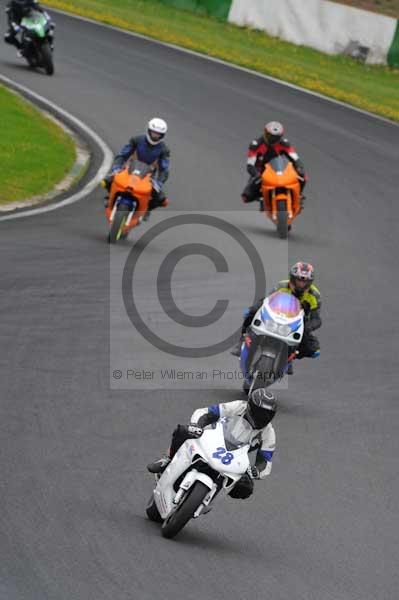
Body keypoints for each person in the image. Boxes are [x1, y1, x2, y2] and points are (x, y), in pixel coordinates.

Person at [147, 388, 277, 500]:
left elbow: (265, 463)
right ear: (250, 407)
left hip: (232, 459)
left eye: (268, 415)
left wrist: (255, 471)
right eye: (260, 413)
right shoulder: (238, 406)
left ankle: (210, 498)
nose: (263, 418)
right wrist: (196, 426)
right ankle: (167, 459)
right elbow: (206, 412)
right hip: (211, 437)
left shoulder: (268, 433)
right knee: (183, 431)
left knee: (246, 487)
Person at [231, 262, 321, 363]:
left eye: (304, 282)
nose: (301, 285)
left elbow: (316, 318)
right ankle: (242, 339)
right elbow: (268, 301)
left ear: (309, 282)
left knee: (313, 349)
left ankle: (290, 357)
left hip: (297, 321)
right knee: (252, 311)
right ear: (292, 278)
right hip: (278, 314)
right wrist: (256, 308)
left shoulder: (314, 295)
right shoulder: (282, 286)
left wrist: (308, 326)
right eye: (298, 280)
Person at [102, 117, 170, 220]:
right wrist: (116, 168)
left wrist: (159, 183)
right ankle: (110, 197)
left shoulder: (164, 150)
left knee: (162, 199)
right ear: (148, 130)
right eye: (153, 133)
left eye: (158, 134)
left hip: (148, 176)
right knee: (106, 181)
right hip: (129, 169)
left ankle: (147, 209)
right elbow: (122, 155)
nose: (155, 136)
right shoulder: (136, 140)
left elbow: (164, 169)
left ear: (162, 135)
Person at [241, 121, 307, 210]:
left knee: (303, 176)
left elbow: (295, 158)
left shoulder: (284, 144)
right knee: (246, 197)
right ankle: (262, 197)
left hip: (278, 167)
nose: (272, 140)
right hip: (260, 170)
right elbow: (250, 165)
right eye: (269, 136)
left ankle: (299, 195)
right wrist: (256, 174)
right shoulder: (256, 145)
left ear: (280, 137)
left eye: (275, 138)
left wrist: (299, 167)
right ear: (265, 133)